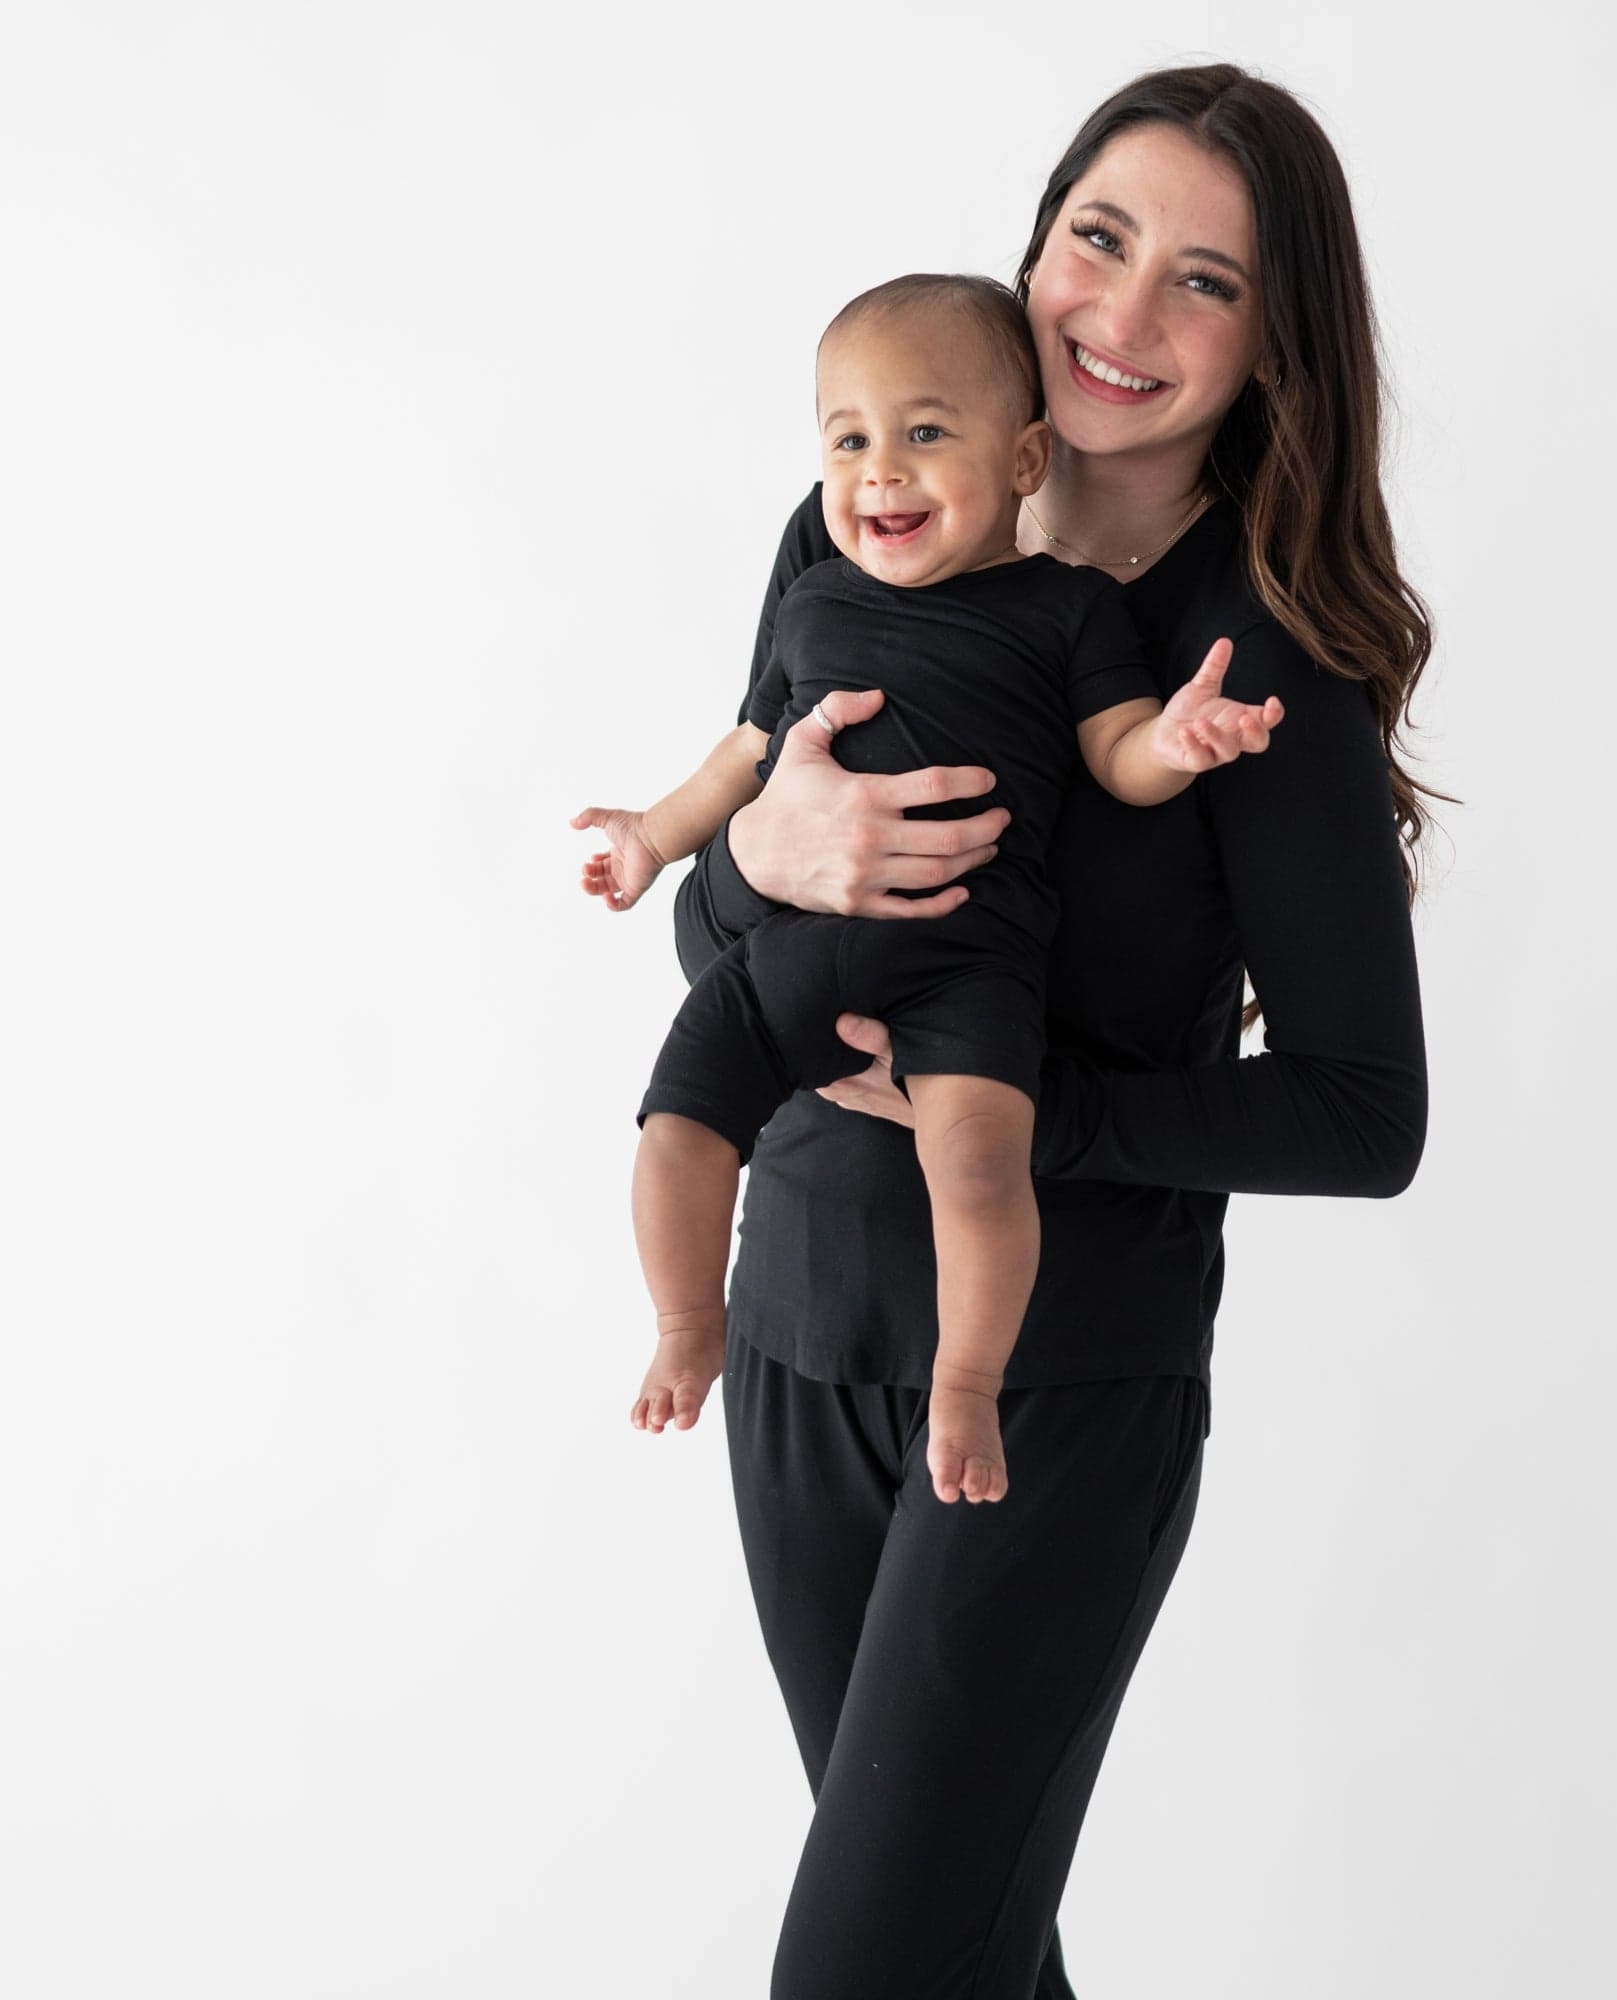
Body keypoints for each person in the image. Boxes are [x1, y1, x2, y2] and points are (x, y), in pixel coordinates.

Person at [570, 60, 1437, 2000]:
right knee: (959, 1966)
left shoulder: (1256, 652)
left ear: (1271, 344)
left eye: (1204, 283)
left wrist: (1033, 1122)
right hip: (790, 1337)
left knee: (866, 1974)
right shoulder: (858, 516)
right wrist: (749, 865)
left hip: (1047, 1396)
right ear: (1035, 249)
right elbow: (735, 931)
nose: (1123, 316)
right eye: (1099, 241)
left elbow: (1362, 1115)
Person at [618, 272, 1285, 1507]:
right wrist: (653, 838)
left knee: (979, 1168)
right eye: (850, 438)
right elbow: (743, 758)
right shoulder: (813, 594)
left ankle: (966, 1381)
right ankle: (682, 1320)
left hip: (968, 972)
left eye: (925, 434)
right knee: (675, 1125)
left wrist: (1178, 743)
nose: (882, 472)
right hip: (791, 965)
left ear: (1024, 454)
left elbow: (1114, 754)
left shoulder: (1065, 611)